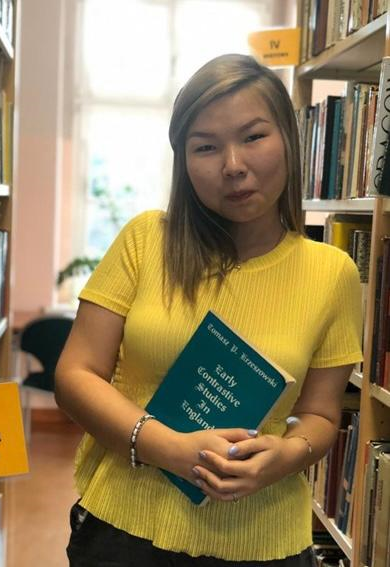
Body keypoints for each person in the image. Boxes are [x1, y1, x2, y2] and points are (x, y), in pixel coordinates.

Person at [55, 53, 363, 566]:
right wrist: (170, 448)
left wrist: (287, 454)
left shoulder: (333, 273)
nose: (233, 165)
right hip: (124, 531)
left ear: (290, 139)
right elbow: (75, 375)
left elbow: (321, 415)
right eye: (205, 147)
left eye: (253, 136)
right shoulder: (145, 241)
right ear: (183, 160)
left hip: (263, 542)